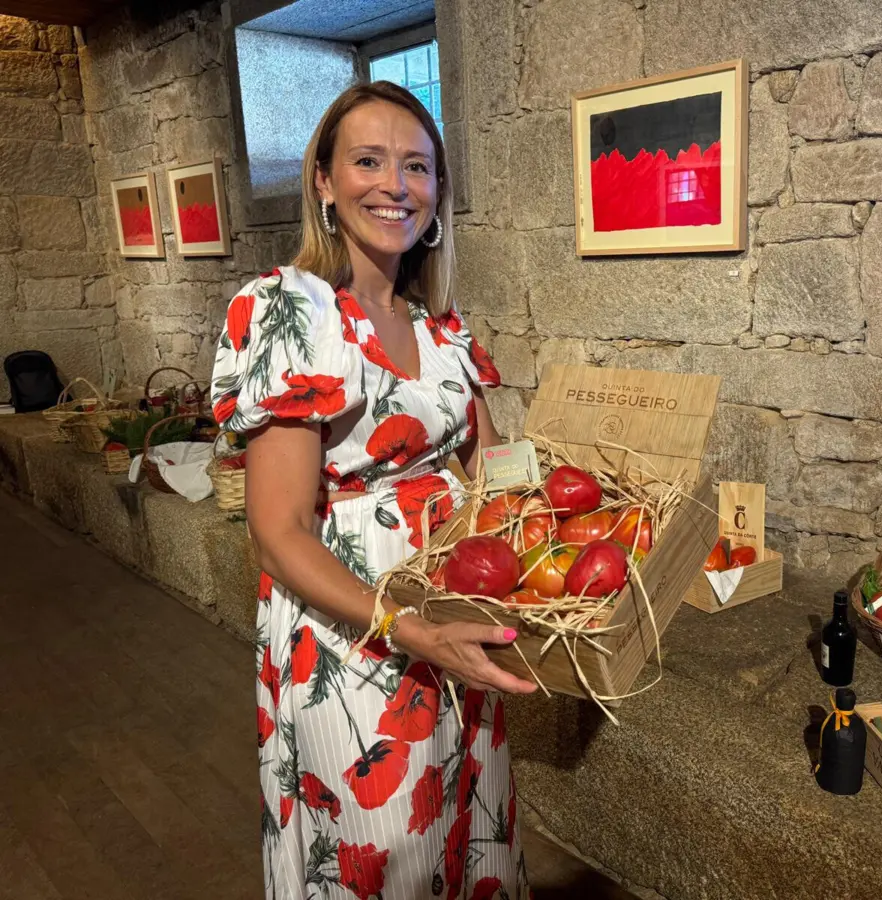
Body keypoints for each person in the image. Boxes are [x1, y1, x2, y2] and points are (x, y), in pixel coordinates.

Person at [211, 81, 536, 900]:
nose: (396, 184)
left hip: (456, 610)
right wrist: (405, 624)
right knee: (382, 848)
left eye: (418, 166)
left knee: (468, 817)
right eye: (368, 160)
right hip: (355, 628)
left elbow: (492, 474)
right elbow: (278, 530)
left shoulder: (442, 325)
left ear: (438, 193)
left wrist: (572, 514)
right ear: (323, 181)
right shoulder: (290, 310)